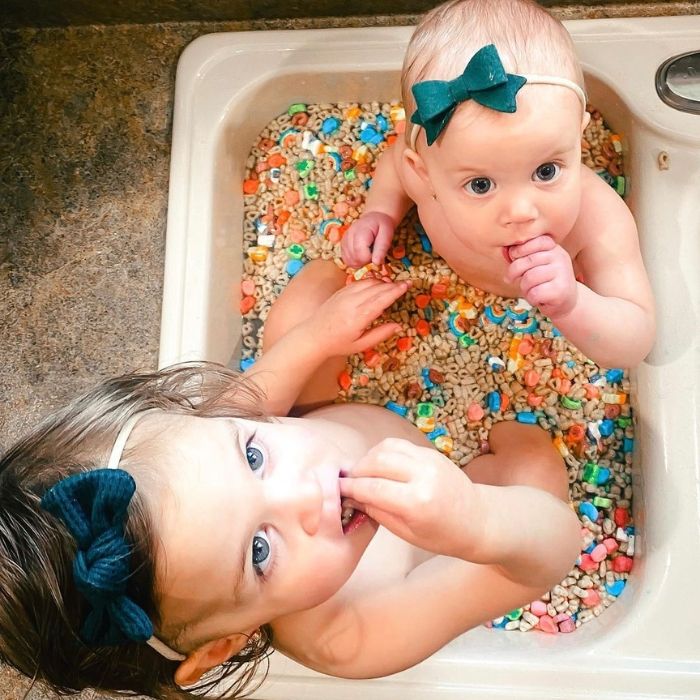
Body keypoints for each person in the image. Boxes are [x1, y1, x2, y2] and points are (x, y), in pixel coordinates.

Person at [0, 259, 581, 700]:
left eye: (253, 457)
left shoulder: (210, 433)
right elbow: (546, 559)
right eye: (259, 551)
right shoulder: (349, 636)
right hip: (440, 514)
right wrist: (474, 520)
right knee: (532, 469)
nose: (307, 490)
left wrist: (318, 337)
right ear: (223, 645)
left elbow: (258, 395)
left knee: (306, 306)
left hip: (335, 409)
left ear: (185, 408)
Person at [341, 0, 655, 369]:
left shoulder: (598, 220)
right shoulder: (421, 173)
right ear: (425, 172)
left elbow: (636, 342)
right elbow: (394, 166)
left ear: (578, 140)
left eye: (546, 171)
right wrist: (381, 211)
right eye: (480, 185)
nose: (521, 211)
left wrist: (574, 304)